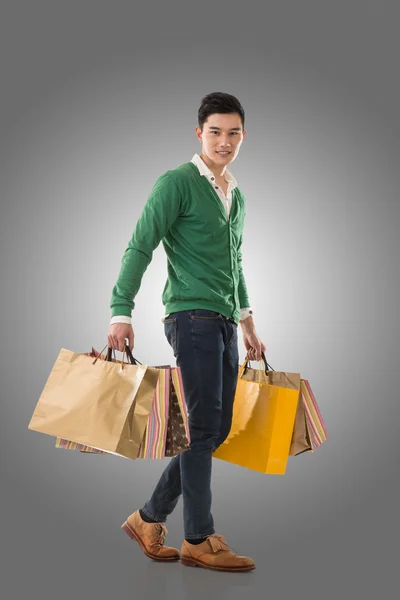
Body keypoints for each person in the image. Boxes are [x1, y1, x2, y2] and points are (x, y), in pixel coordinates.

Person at [107, 92, 266, 572]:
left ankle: (149, 517)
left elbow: (234, 264)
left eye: (233, 132)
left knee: (213, 431)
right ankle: (199, 536)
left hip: (222, 321)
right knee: (200, 428)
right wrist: (120, 310)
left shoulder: (234, 193)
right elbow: (141, 245)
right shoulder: (176, 182)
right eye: (215, 131)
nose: (224, 141)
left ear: (243, 136)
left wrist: (249, 322)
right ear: (199, 133)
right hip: (190, 317)